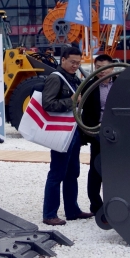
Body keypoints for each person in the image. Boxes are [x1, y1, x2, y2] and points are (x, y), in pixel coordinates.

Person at [41, 46, 93, 226]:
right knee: (57, 173)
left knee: (72, 172)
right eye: (72, 62)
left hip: (72, 132)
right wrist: (70, 101)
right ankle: (49, 214)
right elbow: (47, 104)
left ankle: (72, 210)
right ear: (62, 60)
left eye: (78, 63)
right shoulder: (56, 78)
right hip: (61, 132)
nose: (75, 65)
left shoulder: (73, 78)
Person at [81, 53, 114, 214]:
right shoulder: (90, 86)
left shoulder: (120, 84)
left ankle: (115, 201)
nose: (101, 71)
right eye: (98, 68)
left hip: (118, 132)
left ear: (112, 68)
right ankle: (96, 204)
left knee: (116, 167)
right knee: (96, 167)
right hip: (98, 133)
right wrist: (91, 131)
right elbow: (85, 112)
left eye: (105, 68)